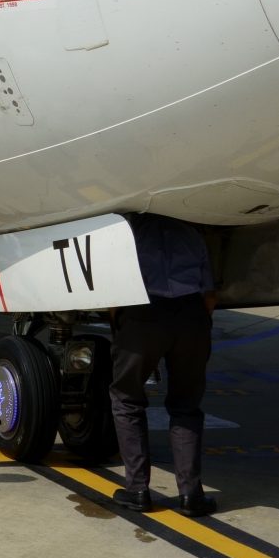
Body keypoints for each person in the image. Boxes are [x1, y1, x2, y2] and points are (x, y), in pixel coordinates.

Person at [109, 213, 218, 517]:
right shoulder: (192, 231)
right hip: (191, 315)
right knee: (186, 406)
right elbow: (209, 294)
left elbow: (115, 290)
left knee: (127, 399)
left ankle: (138, 489)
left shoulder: (127, 231)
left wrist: (120, 325)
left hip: (143, 312)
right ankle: (191, 495)